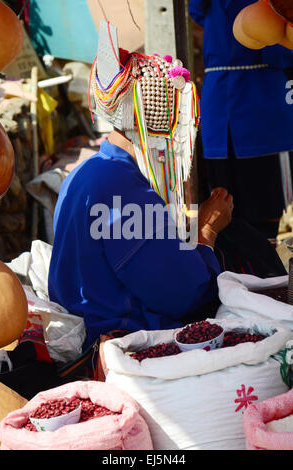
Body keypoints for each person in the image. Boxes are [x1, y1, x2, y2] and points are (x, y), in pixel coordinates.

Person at [48, 20, 234, 351]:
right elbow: (182, 294)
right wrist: (206, 233)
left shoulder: (86, 171)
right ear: (162, 128)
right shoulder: (120, 186)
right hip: (125, 344)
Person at [189, 0, 293, 239]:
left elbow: (197, 12)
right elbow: (278, 49)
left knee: (226, 214)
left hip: (220, 104)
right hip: (260, 106)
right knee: (266, 216)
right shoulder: (265, 7)